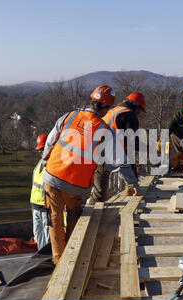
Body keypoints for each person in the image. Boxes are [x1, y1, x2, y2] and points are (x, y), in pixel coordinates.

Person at [40, 85, 141, 264]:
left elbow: (50, 141)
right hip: (75, 185)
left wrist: (45, 159)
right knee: (74, 217)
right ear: (105, 108)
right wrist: (132, 184)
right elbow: (120, 161)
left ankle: (58, 261)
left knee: (54, 219)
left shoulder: (69, 116)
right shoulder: (104, 130)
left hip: (52, 176)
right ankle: (71, 259)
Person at [88, 92, 146, 205]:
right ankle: (94, 213)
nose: (139, 114)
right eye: (139, 111)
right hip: (109, 150)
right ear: (136, 107)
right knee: (101, 190)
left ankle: (93, 208)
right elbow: (131, 143)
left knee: (98, 188)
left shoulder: (115, 110)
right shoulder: (129, 115)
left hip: (97, 149)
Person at [30, 134, 49, 251]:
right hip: (36, 207)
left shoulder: (52, 164)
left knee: (48, 239)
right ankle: (41, 260)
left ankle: (49, 263)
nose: (41, 151)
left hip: (46, 208)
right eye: (40, 149)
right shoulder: (39, 164)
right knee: (38, 237)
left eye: (43, 148)